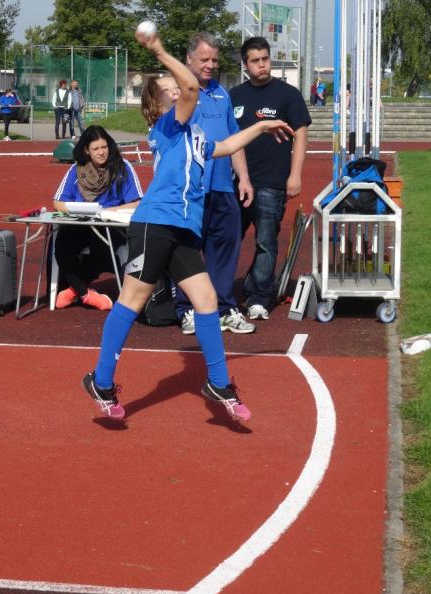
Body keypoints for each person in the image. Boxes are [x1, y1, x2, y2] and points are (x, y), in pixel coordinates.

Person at [81, 29, 292, 422]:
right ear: (159, 105)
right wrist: (159, 50)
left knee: (207, 299)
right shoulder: (167, 127)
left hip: (180, 231)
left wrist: (262, 127)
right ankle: (101, 380)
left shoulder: (194, 136)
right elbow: (191, 87)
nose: (177, 89)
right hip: (155, 224)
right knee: (132, 301)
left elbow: (227, 146)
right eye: (169, 89)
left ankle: (218, 382)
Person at [174, 32, 256, 336]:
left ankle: (223, 307)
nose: (211, 65)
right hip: (190, 190)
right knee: (186, 251)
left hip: (222, 187)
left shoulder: (223, 94)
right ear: (189, 59)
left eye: (215, 60)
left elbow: (234, 139)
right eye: (204, 59)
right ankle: (187, 309)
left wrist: (243, 177)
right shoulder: (181, 93)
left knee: (224, 249)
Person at [230, 37, 311, 321]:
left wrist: (295, 175)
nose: (262, 65)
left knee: (266, 241)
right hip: (237, 182)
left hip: (272, 182)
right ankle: (222, 293)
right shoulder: (235, 96)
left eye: (265, 59)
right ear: (245, 65)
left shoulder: (288, 94)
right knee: (228, 239)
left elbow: (301, 135)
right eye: (255, 60)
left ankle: (258, 298)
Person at [52, 125, 143, 311]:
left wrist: (111, 210)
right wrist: (76, 210)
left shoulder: (123, 167)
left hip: (110, 226)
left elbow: (138, 202)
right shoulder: (76, 170)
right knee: (61, 245)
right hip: (81, 225)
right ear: (87, 150)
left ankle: (74, 291)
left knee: (103, 247)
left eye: (104, 147)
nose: (101, 152)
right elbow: (58, 202)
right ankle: (85, 294)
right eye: (95, 149)